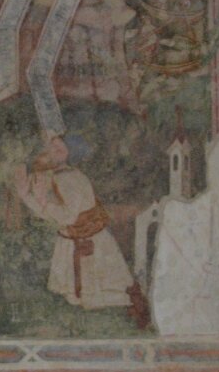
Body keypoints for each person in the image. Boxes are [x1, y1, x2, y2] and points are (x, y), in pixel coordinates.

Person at [12, 132, 145, 320]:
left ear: (68, 152)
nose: (53, 150)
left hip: (91, 241)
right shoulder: (56, 176)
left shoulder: (69, 178)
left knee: (104, 294)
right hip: (73, 240)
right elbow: (51, 216)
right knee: (77, 299)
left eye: (59, 146)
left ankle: (134, 306)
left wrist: (42, 201)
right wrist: (27, 196)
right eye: (50, 147)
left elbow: (68, 217)